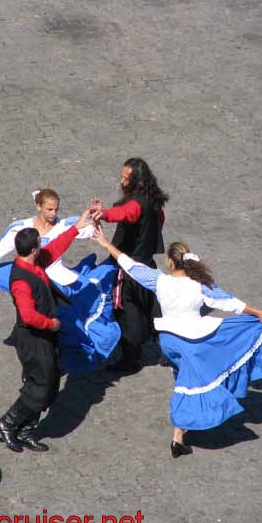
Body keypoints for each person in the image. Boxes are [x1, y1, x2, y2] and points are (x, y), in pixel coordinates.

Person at [92, 229, 262, 458]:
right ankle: (183, 426)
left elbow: (129, 265)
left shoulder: (159, 280)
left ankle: (179, 436)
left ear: (169, 262)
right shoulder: (200, 286)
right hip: (193, 343)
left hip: (168, 343)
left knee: (184, 377)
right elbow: (230, 304)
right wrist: (257, 313)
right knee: (194, 380)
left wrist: (105, 242)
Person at [0, 189, 120, 373]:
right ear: (39, 207)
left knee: (71, 318)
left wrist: (95, 216)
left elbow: (82, 235)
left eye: (56, 210)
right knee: (39, 315)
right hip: (37, 281)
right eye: (49, 209)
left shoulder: (63, 227)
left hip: (59, 283)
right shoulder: (24, 231)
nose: (53, 214)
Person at [0, 212, 90, 453]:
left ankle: (26, 430)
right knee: (40, 385)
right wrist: (51, 324)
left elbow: (56, 248)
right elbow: (28, 316)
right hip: (33, 339)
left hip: (44, 338)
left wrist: (77, 227)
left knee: (50, 381)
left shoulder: (35, 263)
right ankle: (8, 423)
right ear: (34, 248)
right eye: (40, 244)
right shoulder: (21, 280)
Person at [89, 158, 169, 371]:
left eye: (126, 178)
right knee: (151, 306)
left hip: (129, 267)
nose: (122, 181)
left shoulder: (136, 204)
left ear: (137, 181)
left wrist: (103, 214)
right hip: (146, 262)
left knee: (126, 309)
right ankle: (164, 344)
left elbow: (124, 213)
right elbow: (158, 222)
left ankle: (131, 355)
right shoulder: (153, 200)